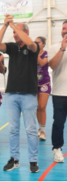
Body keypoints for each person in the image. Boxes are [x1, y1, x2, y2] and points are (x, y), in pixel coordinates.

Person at [0, 15, 40, 173]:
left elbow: (30, 43)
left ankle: (33, 160)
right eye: (13, 32)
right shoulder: (12, 48)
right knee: (13, 130)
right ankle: (14, 159)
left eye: (18, 31)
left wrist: (13, 26)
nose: (14, 34)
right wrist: (6, 25)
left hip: (28, 95)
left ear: (26, 32)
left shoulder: (33, 47)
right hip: (12, 95)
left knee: (31, 130)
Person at [48, 20, 67, 163]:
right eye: (63, 28)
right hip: (60, 93)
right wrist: (62, 48)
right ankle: (57, 148)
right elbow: (53, 66)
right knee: (58, 123)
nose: (64, 31)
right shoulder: (54, 48)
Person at [35, 36, 51, 141]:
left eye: (38, 42)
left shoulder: (46, 53)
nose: (36, 44)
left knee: (42, 106)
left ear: (43, 44)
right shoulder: (32, 54)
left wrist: (34, 53)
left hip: (44, 83)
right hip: (34, 83)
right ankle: (40, 128)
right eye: (35, 42)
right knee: (36, 107)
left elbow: (42, 63)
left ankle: (43, 130)